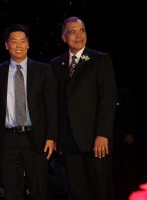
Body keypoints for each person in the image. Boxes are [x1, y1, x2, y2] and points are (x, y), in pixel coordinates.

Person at [0, 24, 58, 200]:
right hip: (8, 139)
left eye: (22, 41)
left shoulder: (43, 70)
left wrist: (51, 137)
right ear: (6, 45)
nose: (18, 45)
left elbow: (52, 106)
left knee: (39, 189)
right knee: (12, 190)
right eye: (14, 41)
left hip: (36, 137)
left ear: (28, 44)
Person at [50, 16, 117, 200]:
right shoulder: (56, 64)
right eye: (72, 32)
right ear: (64, 37)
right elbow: (54, 103)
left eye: (82, 31)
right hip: (68, 141)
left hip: (96, 140)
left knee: (101, 190)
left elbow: (108, 99)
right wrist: (55, 136)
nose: (78, 36)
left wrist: (103, 134)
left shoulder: (100, 60)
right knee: (78, 192)